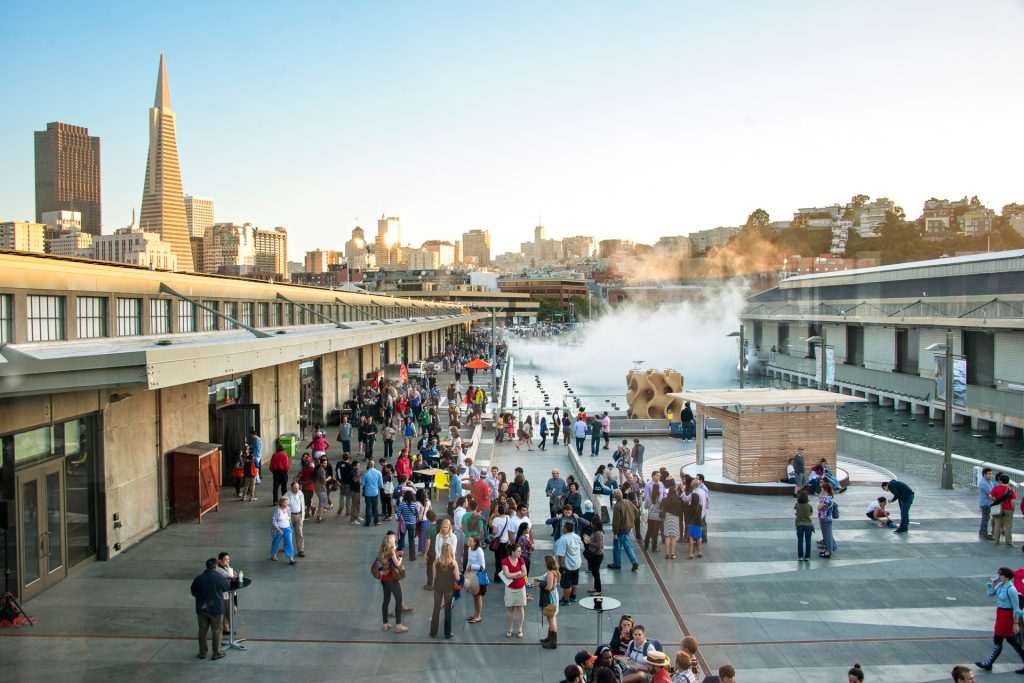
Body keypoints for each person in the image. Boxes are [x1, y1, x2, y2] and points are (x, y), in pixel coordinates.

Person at [976, 566, 1024, 672]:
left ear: (1006, 576)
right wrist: (993, 584)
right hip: (1001, 614)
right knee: (1004, 639)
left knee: (1006, 639)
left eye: (1000, 574)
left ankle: (989, 663)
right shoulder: (1001, 585)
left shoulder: (1011, 589)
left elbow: (1016, 608)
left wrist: (1015, 623)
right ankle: (989, 663)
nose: (998, 576)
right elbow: (991, 594)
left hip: (1007, 616)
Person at [190, 557, 230, 660]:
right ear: (216, 566)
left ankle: (202, 652)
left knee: (202, 631)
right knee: (216, 631)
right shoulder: (218, 577)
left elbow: (194, 592)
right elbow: (226, 587)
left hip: (202, 609)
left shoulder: (199, 578)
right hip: (216, 609)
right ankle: (216, 653)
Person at [376, 533, 409, 633]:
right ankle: (398, 625)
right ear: (391, 542)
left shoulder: (381, 550)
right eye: (394, 538)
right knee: (399, 601)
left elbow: (378, 561)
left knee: (386, 600)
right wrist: (400, 558)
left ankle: (385, 623)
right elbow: (397, 564)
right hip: (392, 579)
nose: (395, 539)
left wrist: (381, 570)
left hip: (384, 579)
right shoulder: (391, 551)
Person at [429, 543, 460, 639]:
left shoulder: (436, 562)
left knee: (436, 609)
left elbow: (433, 577)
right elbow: (457, 577)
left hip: (438, 587)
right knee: (447, 610)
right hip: (449, 588)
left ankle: (433, 632)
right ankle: (447, 633)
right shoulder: (453, 563)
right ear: (451, 551)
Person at [501, 542, 528, 638]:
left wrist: (513, 575)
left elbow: (524, 573)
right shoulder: (505, 561)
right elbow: (507, 575)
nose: (520, 553)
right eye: (518, 551)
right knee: (510, 609)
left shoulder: (521, 560)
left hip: (520, 587)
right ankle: (510, 628)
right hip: (510, 588)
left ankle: (520, 628)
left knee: (520, 608)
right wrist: (518, 573)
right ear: (513, 552)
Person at [609, 488, 640, 571]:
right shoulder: (628, 502)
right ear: (622, 495)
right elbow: (637, 512)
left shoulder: (617, 506)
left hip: (620, 530)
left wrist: (615, 533)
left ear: (615, 497)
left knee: (617, 547)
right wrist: (632, 520)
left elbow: (616, 521)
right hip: (628, 528)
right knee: (627, 545)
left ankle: (617, 563)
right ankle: (634, 562)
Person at [554, 520, 584, 606]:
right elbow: (581, 547)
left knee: (566, 584)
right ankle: (573, 596)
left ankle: (565, 599)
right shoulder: (577, 536)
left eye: (563, 526)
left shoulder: (563, 539)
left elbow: (561, 554)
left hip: (568, 565)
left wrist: (561, 564)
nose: (562, 528)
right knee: (575, 581)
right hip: (577, 563)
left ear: (566, 529)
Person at [535, 554, 561, 649]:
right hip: (554, 595)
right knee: (553, 617)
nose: (543, 563)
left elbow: (549, 587)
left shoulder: (550, 573)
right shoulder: (555, 572)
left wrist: (539, 584)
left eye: (545, 561)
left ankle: (553, 641)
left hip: (550, 597)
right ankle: (550, 637)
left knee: (551, 619)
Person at [990, 473, 1018, 546]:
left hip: (998, 508)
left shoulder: (996, 488)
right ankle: (1008, 541)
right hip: (1008, 509)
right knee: (1008, 526)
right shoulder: (1011, 491)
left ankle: (996, 541)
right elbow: (1013, 502)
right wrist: (1013, 510)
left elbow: (990, 495)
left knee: (997, 525)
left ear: (1000, 481)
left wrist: (996, 500)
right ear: (1008, 481)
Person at [582, 506, 605, 596]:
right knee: (595, 572)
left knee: (596, 572)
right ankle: (595, 587)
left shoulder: (598, 533)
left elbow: (599, 545)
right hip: (594, 554)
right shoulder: (596, 531)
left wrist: (589, 541)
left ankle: (598, 589)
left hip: (597, 555)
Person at [465, 534, 486, 624]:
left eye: (470, 541)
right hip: (471, 575)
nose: (468, 542)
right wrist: (466, 572)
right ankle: (475, 614)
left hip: (478, 576)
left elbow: (483, 566)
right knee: (474, 596)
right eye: (468, 540)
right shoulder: (469, 549)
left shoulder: (479, 551)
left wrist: (472, 567)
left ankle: (478, 616)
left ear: (475, 542)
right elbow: (469, 561)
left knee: (478, 596)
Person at [215, 552, 237, 637]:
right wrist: (229, 567)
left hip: (230, 592)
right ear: (219, 561)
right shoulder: (219, 569)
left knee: (228, 611)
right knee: (232, 609)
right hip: (224, 594)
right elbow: (230, 575)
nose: (227, 561)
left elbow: (234, 574)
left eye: (228, 559)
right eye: (225, 560)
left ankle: (226, 627)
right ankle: (226, 627)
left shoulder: (224, 567)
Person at [661, 486, 683, 560]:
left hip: (667, 518)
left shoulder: (664, 500)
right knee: (673, 537)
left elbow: (661, 508)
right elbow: (680, 511)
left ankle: (667, 553)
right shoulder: (677, 501)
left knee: (667, 536)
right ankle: (673, 554)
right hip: (675, 519)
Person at [361, 459, 384, 526]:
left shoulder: (366, 473)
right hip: (375, 492)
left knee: (368, 507)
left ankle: (367, 522)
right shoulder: (378, 472)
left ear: (368, 465)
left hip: (367, 493)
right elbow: (381, 484)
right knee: (375, 507)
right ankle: (376, 521)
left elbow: (363, 484)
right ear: (374, 465)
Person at [818, 481, 837, 559]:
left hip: (824, 518)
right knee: (828, 533)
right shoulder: (831, 497)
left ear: (825, 489)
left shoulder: (825, 498)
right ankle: (832, 546)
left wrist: (819, 503)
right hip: (828, 518)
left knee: (826, 535)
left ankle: (828, 551)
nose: (821, 490)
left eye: (822, 488)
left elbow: (819, 507)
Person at [286, 481, 306, 558]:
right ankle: (287, 547)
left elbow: (303, 505)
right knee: (288, 534)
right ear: (291, 488)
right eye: (295, 488)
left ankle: (301, 550)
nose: (296, 489)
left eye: (297, 488)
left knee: (299, 533)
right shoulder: (287, 495)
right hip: (290, 516)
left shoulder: (301, 493)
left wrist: (302, 516)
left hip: (299, 516)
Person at [794, 490, 814, 561]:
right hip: (808, 525)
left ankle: (800, 556)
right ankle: (807, 556)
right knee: (808, 541)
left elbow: (796, 511)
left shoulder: (797, 505)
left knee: (800, 541)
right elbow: (811, 513)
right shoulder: (809, 506)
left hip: (799, 525)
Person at [643, 485, 663, 553]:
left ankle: (646, 546)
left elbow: (645, 506)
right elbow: (662, 506)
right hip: (658, 517)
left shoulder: (648, 497)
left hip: (651, 516)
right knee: (655, 533)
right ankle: (654, 548)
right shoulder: (660, 497)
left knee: (649, 531)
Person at [979, 467, 995, 540]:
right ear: (984, 475)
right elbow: (991, 493)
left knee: (985, 518)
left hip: (986, 503)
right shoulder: (984, 483)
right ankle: (984, 533)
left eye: (991, 474)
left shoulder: (988, 482)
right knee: (985, 518)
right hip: (986, 503)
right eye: (989, 474)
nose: (991, 475)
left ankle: (982, 531)